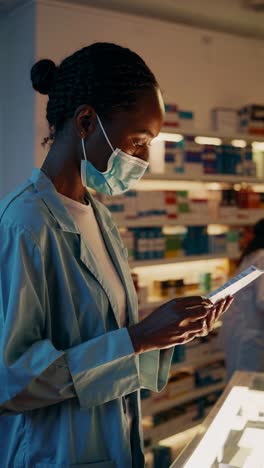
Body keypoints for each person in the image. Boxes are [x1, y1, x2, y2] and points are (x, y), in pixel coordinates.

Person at [0, 42, 232, 468]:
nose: (143, 158)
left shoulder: (101, 219)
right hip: (51, 453)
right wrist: (140, 338)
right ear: (86, 122)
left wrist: (170, 332)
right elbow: (11, 382)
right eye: (138, 141)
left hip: (112, 444)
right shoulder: (24, 224)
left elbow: (110, 347)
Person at [220, 219, 264, 380]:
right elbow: (262, 301)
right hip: (251, 338)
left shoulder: (254, 256)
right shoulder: (262, 257)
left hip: (243, 334)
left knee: (240, 383)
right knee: (246, 386)